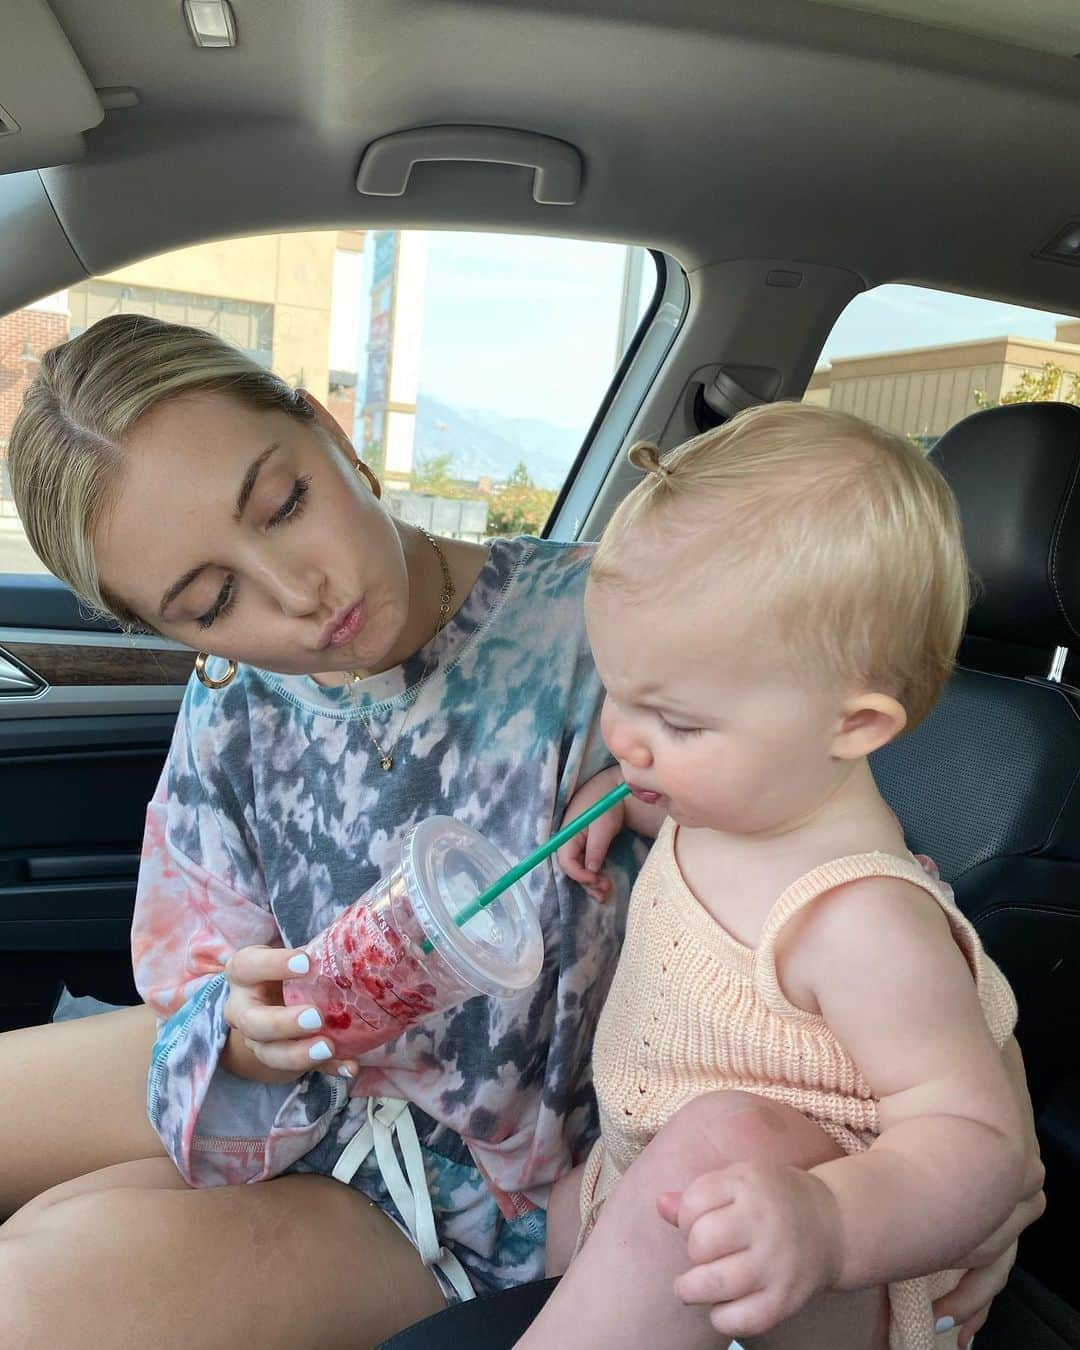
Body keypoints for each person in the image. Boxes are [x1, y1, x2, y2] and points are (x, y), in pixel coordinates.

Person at [0, 322, 1040, 1350]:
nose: (297, 595)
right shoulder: (235, 694)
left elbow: (854, 877)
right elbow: (193, 976)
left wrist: (989, 1147)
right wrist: (238, 1030)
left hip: (489, 1187)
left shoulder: (630, 620)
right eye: (214, 601)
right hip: (301, 1092)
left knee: (35, 1292)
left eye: (284, 504)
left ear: (328, 428)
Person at [521, 405, 1042, 1350]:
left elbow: (980, 1143)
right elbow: (678, 797)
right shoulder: (729, 797)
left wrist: (829, 1224)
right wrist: (624, 792)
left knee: (718, 1145)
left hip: (836, 1269)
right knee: (578, 1205)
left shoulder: (860, 921)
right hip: (672, 1188)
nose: (626, 735)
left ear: (854, 728)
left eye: (674, 723)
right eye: (617, 691)